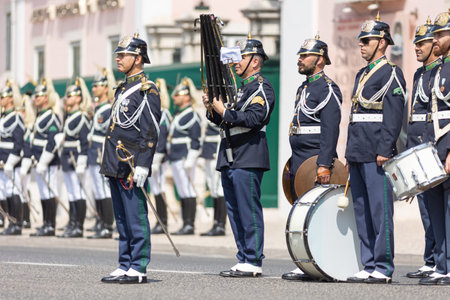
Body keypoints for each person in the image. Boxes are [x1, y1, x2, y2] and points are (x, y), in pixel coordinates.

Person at [202, 34, 275, 277]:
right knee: (234, 210)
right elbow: (223, 120)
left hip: (248, 153)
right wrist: (213, 108)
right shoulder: (240, 90)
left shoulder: (262, 87)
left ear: (255, 61)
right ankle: (243, 256)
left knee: (248, 209)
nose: (236, 63)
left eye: (241, 58)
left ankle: (253, 259)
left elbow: (255, 118)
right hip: (231, 154)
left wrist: (225, 112)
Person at [345, 13, 406, 284]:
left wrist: (385, 148)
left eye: (367, 40)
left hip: (376, 153)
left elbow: (393, 116)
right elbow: (355, 116)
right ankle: (368, 263)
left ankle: (383, 267)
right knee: (361, 210)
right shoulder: (362, 73)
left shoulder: (392, 73)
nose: (362, 45)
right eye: (361, 40)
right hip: (358, 150)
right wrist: (349, 152)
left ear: (382, 43)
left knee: (380, 213)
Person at [100, 33, 161, 284]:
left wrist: (144, 164)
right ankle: (124, 263)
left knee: (135, 217)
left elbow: (150, 130)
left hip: (131, 163)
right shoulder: (124, 86)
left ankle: (138, 266)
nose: (118, 58)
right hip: (115, 162)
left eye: (123, 54)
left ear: (138, 58)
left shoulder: (147, 89)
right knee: (122, 218)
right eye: (118, 54)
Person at [281, 35, 342, 281]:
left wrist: (324, 164)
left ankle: (323, 261)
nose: (300, 59)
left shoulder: (327, 88)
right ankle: (306, 262)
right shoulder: (305, 87)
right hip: (299, 157)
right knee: (301, 214)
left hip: (315, 159)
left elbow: (330, 130)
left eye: (304, 56)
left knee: (316, 216)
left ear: (319, 60)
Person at [405, 18, 440, 279]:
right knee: (426, 209)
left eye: (423, 43)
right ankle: (430, 259)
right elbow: (413, 115)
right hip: (417, 145)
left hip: (432, 144)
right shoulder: (418, 73)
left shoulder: (440, 71)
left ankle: (440, 260)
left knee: (436, 210)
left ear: (435, 46)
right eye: (416, 43)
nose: (417, 47)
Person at [419, 10, 450, 285]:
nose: (436, 39)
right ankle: (442, 265)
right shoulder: (438, 68)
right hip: (433, 149)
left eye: (441, 34)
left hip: (448, 149)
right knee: (436, 211)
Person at [26, 78, 62, 237]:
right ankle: (45, 224)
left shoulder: (52, 116)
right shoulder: (40, 115)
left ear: (46, 98)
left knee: (49, 191)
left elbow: (52, 141)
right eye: (35, 96)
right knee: (43, 192)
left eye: (39, 96)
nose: (35, 98)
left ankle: (50, 225)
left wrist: (44, 161)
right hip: (38, 161)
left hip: (48, 162)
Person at [57, 78, 91, 238]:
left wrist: (82, 161)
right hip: (66, 158)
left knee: (78, 193)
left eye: (70, 96)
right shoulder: (70, 116)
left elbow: (85, 142)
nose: (67, 99)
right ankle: (72, 223)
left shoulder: (82, 117)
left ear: (78, 98)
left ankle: (79, 226)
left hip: (76, 159)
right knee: (71, 193)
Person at [167, 77, 201, 235]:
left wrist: (191, 159)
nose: (174, 98)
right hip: (175, 157)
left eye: (178, 95)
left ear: (187, 96)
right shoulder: (178, 114)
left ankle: (190, 224)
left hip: (184, 157)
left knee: (188, 190)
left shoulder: (192, 115)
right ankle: (185, 223)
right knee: (182, 191)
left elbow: (196, 139)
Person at [86, 69, 116, 239]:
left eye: (97, 85)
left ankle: (107, 225)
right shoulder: (97, 107)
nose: (94, 88)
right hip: (93, 151)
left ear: (105, 88)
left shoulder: (108, 108)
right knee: (98, 189)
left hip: (101, 151)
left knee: (104, 190)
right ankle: (101, 222)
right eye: (93, 85)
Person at [0, 80, 25, 235]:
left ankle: (18, 224)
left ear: (10, 98)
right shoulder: (4, 116)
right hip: (3, 159)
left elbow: (18, 142)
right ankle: (11, 223)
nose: (1, 100)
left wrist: (11, 161)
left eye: (3, 97)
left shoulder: (16, 117)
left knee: (13, 190)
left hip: (11, 160)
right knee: (6, 191)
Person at [149, 78, 172, 234]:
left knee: (160, 187)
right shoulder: (154, 113)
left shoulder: (164, 113)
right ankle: (159, 221)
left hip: (160, 157)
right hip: (152, 156)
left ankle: (163, 222)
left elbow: (162, 136)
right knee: (155, 188)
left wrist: (157, 156)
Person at [199, 119, 226, 237]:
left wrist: (219, 153)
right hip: (209, 152)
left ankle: (220, 225)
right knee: (213, 189)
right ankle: (215, 224)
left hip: (216, 151)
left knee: (219, 188)